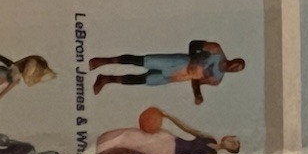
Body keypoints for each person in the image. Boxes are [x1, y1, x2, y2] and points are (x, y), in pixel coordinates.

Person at [95, 109, 241, 154]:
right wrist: (167, 115)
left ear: (230, 149)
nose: (232, 140)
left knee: (129, 143)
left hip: (167, 150)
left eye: (234, 144)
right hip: (169, 139)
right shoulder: (210, 138)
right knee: (129, 137)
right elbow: (187, 128)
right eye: (233, 139)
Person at [88, 42, 245, 103]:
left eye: (237, 70)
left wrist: (198, 94)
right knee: (141, 61)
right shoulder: (216, 50)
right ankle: (103, 61)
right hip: (179, 62)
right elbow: (194, 44)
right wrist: (194, 59)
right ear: (233, 60)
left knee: (143, 80)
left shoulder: (216, 80)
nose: (233, 69)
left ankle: (106, 79)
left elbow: (196, 80)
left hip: (177, 77)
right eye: (236, 65)